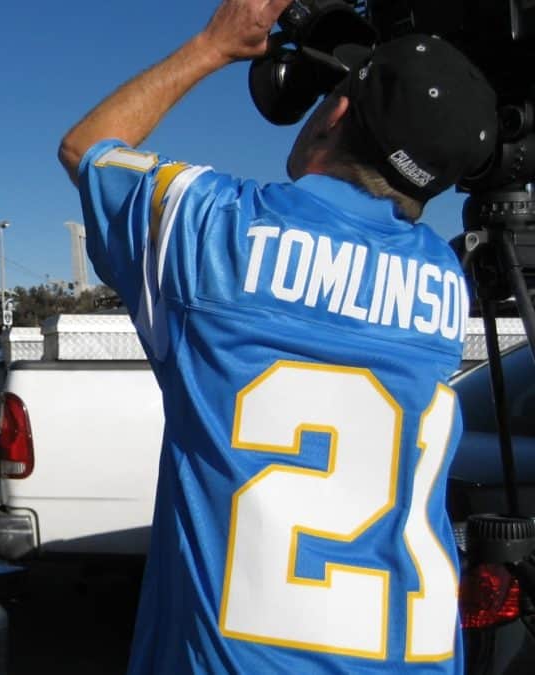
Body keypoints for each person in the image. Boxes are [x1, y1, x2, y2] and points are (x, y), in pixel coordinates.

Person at [57, 1, 497, 672]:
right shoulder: (443, 277)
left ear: (337, 112)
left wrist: (214, 44)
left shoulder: (217, 229)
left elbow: (88, 146)